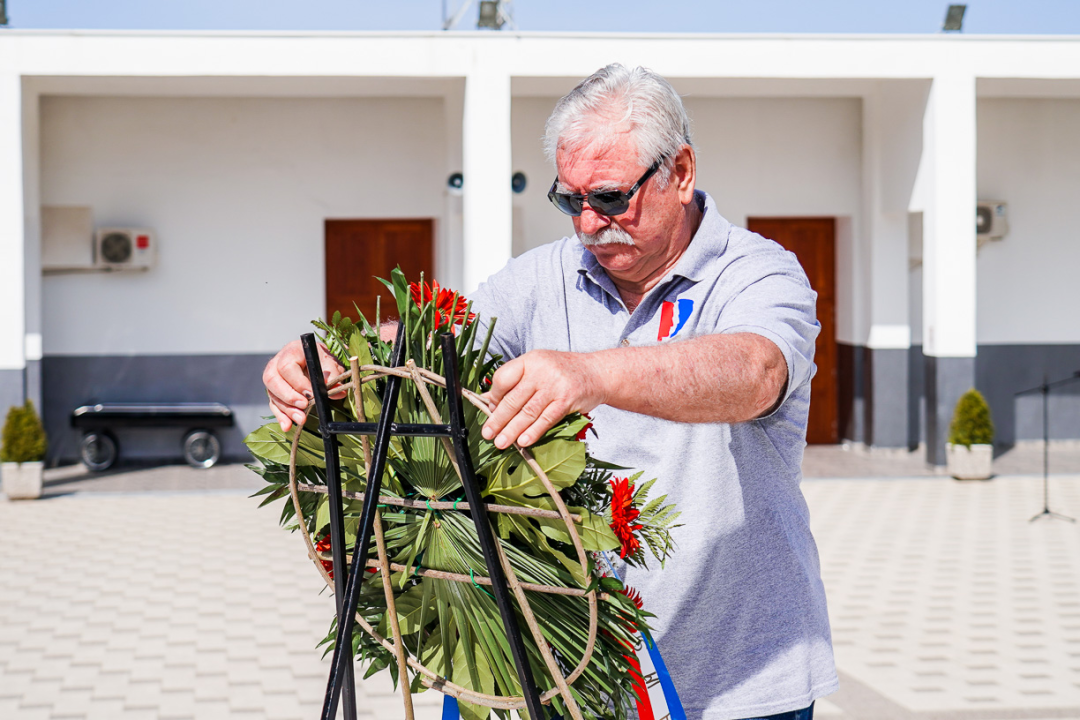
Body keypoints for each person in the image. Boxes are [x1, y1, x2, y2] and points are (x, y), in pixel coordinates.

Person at [263, 64, 836, 720]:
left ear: (680, 172)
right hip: (556, 666)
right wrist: (341, 359)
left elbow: (756, 372)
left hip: (734, 679)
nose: (590, 224)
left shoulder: (758, 272)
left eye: (613, 197)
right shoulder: (541, 277)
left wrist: (592, 375)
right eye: (571, 200)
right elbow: (441, 346)